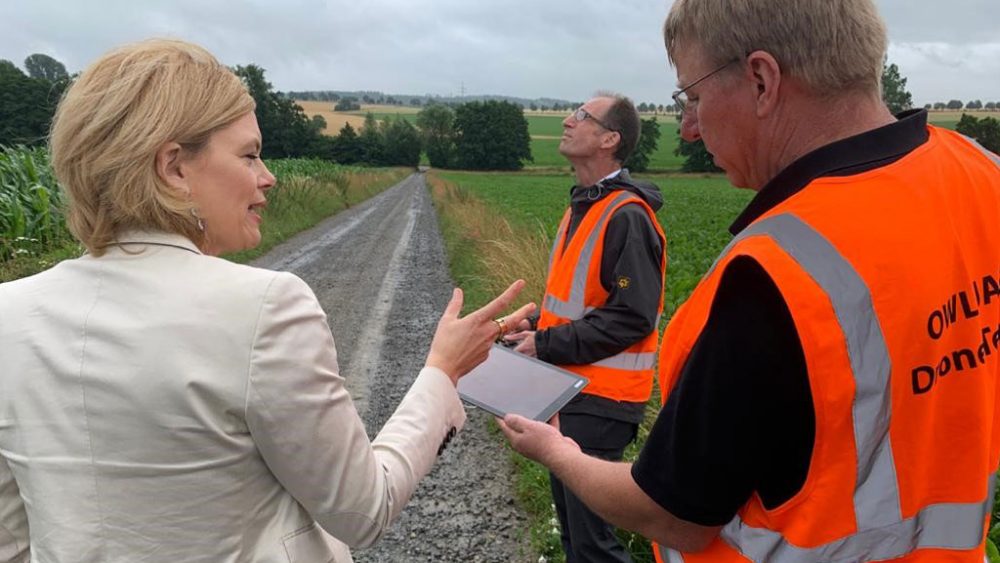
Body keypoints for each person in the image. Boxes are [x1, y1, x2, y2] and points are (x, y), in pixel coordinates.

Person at [499, 0, 1000, 561]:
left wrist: (558, 453)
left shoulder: (777, 273)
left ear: (762, 80)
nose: (688, 130)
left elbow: (674, 515)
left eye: (693, 97)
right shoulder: (983, 175)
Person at [0, 39, 534, 563]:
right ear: (174, 168)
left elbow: (12, 537)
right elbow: (363, 511)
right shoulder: (264, 305)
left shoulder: (10, 312)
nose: (267, 176)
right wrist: (442, 371)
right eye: (250, 155)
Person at [504, 93, 665, 563]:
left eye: (581, 116)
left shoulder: (627, 216)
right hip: (570, 390)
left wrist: (546, 342)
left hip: (603, 400)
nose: (567, 121)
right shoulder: (583, 207)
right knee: (578, 541)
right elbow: (584, 305)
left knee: (594, 546)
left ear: (609, 139)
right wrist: (534, 325)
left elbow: (633, 316)